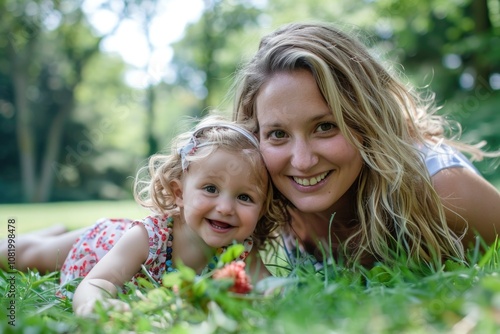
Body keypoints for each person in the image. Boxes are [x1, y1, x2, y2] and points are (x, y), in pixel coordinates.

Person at [232, 22, 500, 270]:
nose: (302, 162)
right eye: (278, 133)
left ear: (368, 121)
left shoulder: (442, 190)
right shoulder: (263, 196)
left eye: (325, 127)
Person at [1, 115, 285, 315]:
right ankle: (32, 239)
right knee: (29, 255)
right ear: (179, 193)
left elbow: (272, 289)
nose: (225, 207)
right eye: (210, 188)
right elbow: (97, 282)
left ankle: (54, 229)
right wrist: (94, 305)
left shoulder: (242, 253)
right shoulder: (148, 238)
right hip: (100, 245)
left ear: (261, 208)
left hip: (123, 240)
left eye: (245, 197)